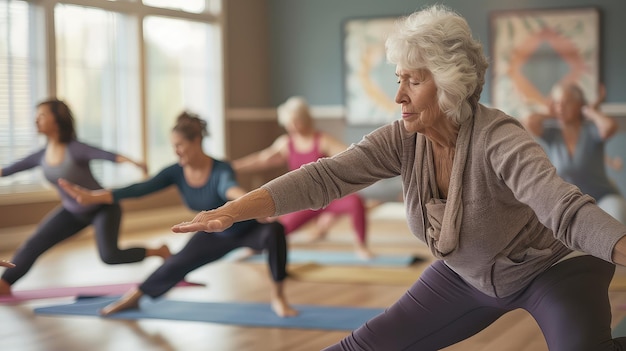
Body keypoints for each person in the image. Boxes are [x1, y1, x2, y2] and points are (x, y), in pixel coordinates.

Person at [170, 5, 626, 350]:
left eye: (413, 80)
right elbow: (323, 177)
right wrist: (231, 212)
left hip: (553, 270)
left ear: (449, 84)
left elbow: (563, 208)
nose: (398, 95)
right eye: (398, 78)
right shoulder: (404, 139)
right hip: (467, 274)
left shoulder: (499, 139)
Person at [59, 111, 297, 317]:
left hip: (248, 230)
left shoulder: (220, 168)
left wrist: (253, 204)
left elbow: (229, 187)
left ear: (196, 142)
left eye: (180, 146)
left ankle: (278, 296)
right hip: (213, 234)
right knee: (175, 264)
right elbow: (139, 189)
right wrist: (93, 196)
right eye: (173, 146)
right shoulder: (176, 172)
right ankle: (133, 298)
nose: (176, 152)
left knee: (275, 232)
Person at [0, 99, 170, 295]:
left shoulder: (75, 149)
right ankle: (4, 284)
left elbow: (107, 155)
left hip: (103, 208)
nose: (36, 120)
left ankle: (159, 251)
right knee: (35, 242)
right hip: (72, 212)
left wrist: (135, 163)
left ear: (57, 119)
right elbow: (9, 170)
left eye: (42, 115)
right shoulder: (41, 155)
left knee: (110, 256)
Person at [232, 96, 373, 259]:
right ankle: (256, 246)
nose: (293, 126)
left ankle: (360, 246)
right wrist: (234, 166)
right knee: (279, 229)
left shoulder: (322, 140)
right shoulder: (286, 144)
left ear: (305, 119)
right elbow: (262, 159)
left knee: (355, 202)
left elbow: (350, 156)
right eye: (290, 123)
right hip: (303, 201)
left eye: (296, 121)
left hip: (329, 198)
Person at [522, 82, 626, 224]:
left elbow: (609, 127)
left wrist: (590, 112)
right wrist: (551, 113)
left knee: (617, 219)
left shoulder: (591, 131)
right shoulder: (552, 135)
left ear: (579, 105)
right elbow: (529, 121)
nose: (561, 107)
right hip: (571, 203)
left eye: (566, 102)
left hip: (603, 198)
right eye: (557, 103)